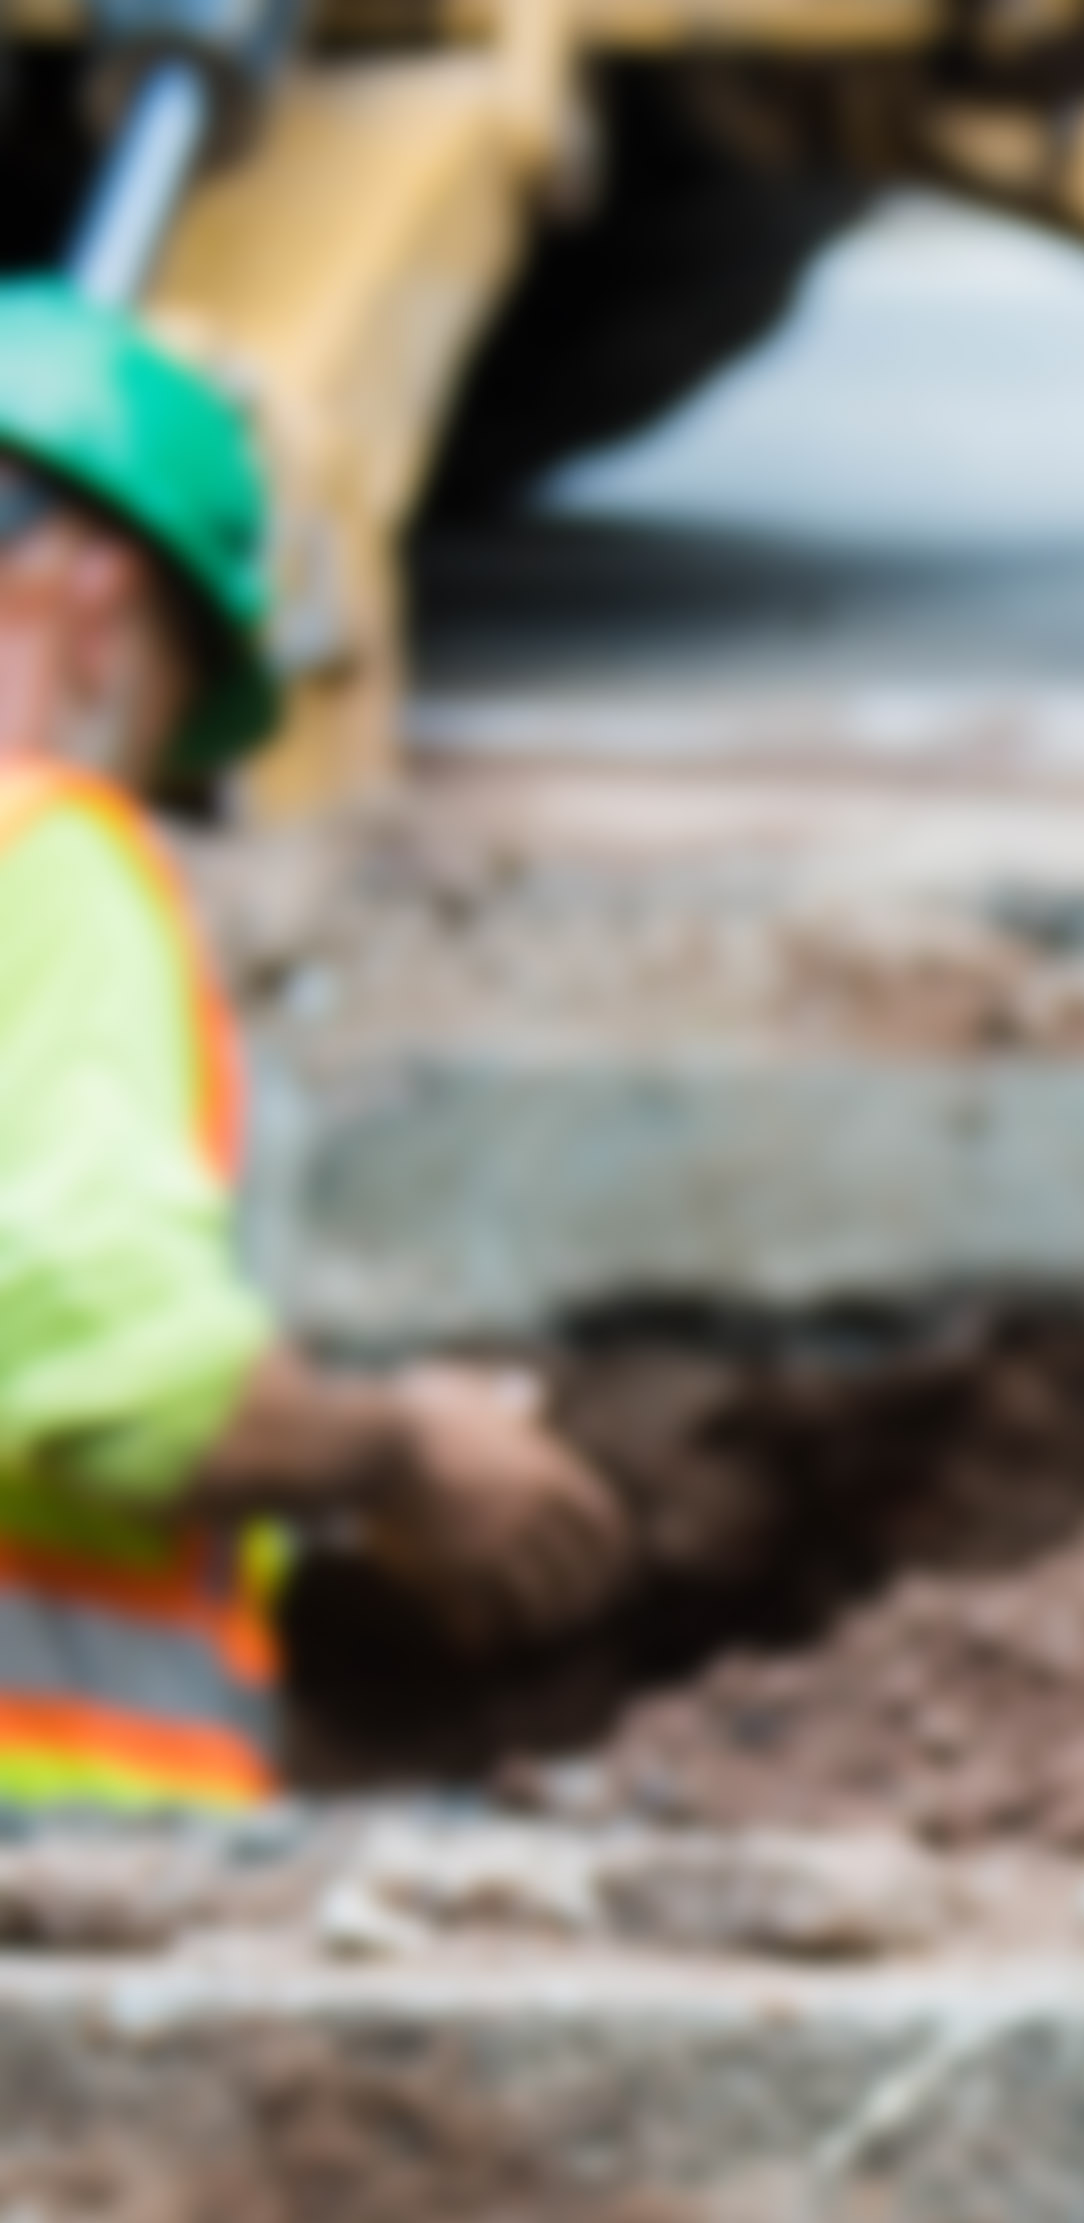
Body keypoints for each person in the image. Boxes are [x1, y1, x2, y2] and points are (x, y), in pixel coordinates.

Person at [0, 281, 620, 1811]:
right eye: (168, 715)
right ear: (95, 600)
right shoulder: (43, 856)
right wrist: (402, 1447)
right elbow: (98, 1373)